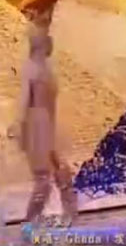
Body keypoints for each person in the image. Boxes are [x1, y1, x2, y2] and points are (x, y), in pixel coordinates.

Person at [7, 24, 77, 225]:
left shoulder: (37, 67)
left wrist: (19, 124)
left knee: (50, 174)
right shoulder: (41, 69)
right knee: (52, 172)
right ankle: (58, 214)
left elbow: (26, 99)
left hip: (42, 121)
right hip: (44, 121)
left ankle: (39, 218)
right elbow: (30, 98)